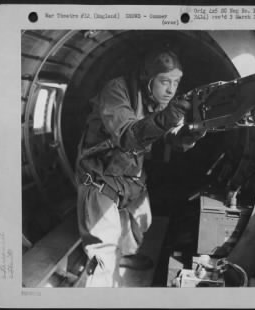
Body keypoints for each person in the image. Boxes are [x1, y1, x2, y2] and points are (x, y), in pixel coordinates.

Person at [75, 47, 205, 287]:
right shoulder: (116, 91)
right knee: (103, 247)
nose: (171, 89)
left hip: (131, 177)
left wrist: (190, 134)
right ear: (148, 79)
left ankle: (123, 258)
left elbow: (168, 137)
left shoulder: (158, 101)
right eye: (164, 81)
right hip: (99, 176)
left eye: (176, 82)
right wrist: (169, 116)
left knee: (141, 224)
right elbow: (128, 136)